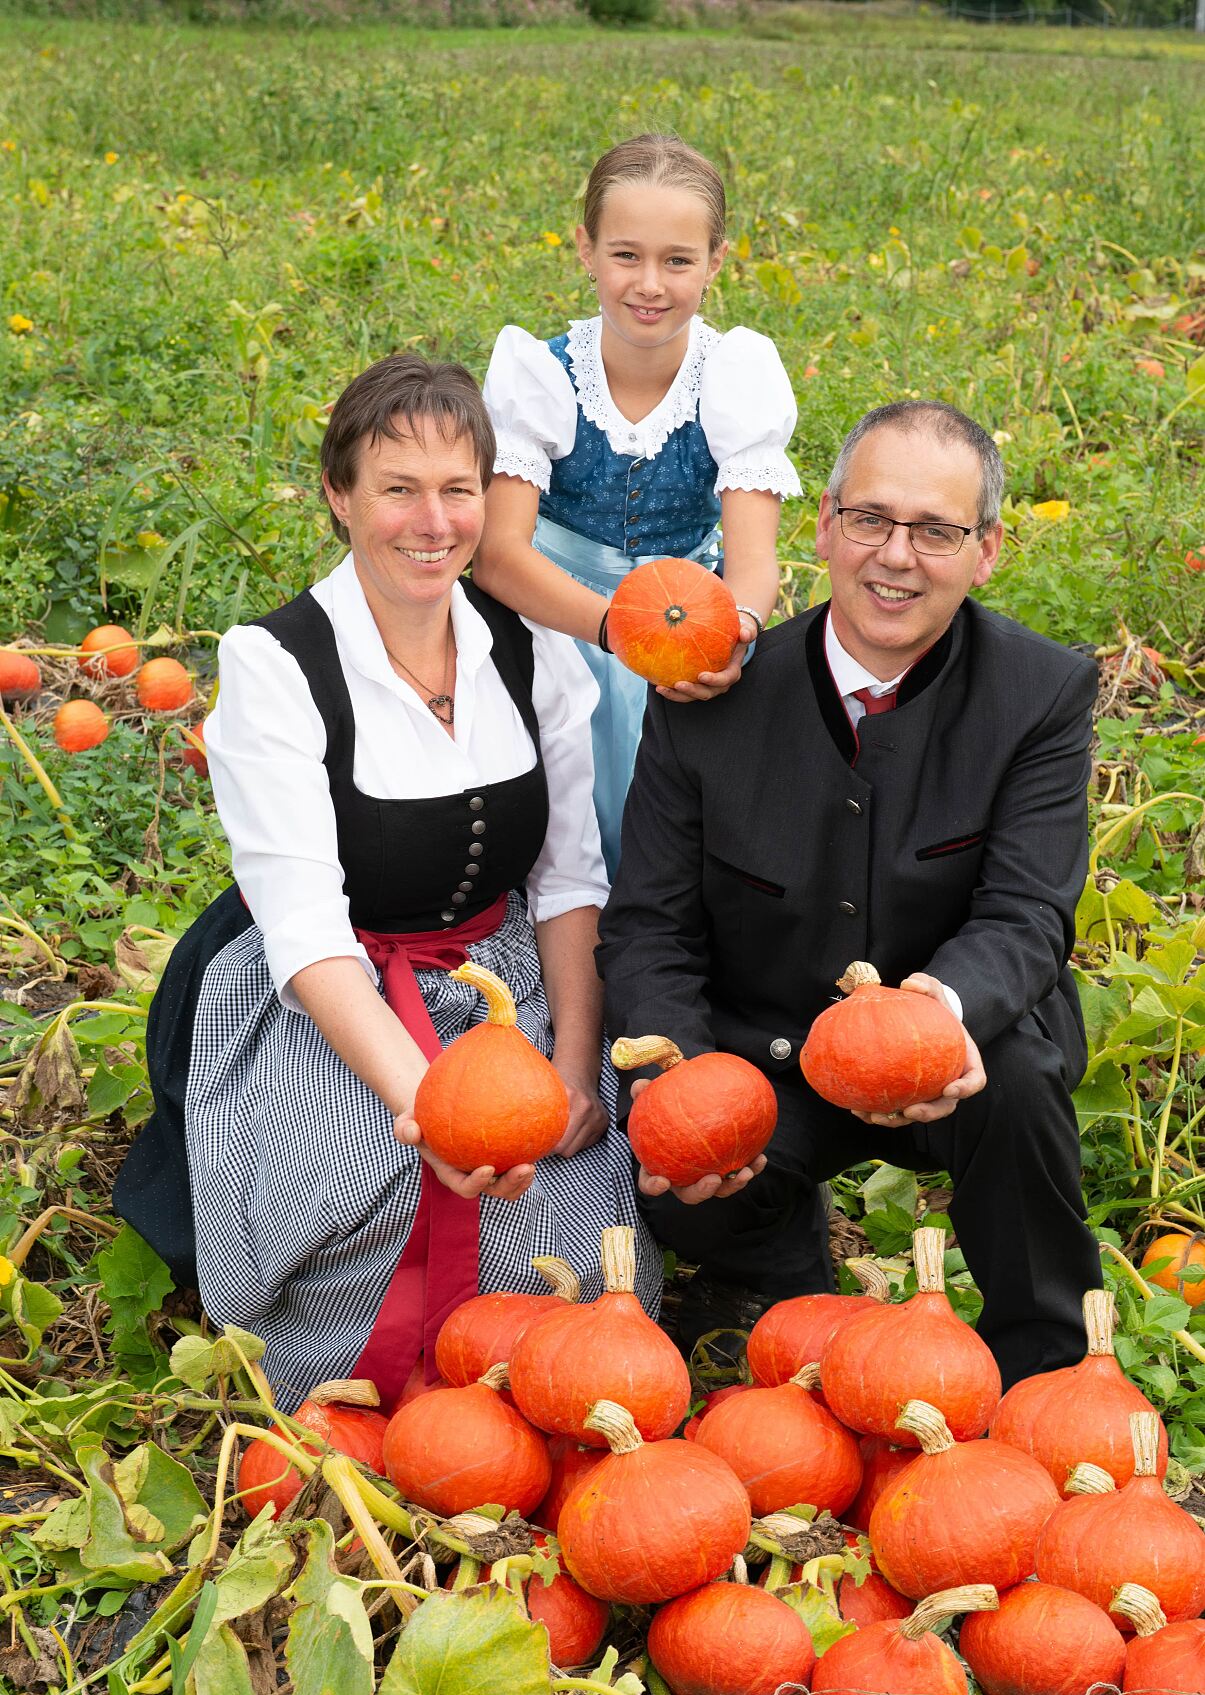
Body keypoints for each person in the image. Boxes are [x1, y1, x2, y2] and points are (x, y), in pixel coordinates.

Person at [114, 354, 662, 1411]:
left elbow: (565, 883)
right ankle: (364, 1392)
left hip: (500, 977)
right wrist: (436, 1116)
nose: (432, 521)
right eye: (397, 488)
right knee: (357, 1192)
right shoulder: (279, 667)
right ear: (339, 495)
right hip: (328, 993)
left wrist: (577, 1072)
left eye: (459, 490)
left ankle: (528, 1393)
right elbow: (307, 934)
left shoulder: (530, 654)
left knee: (565, 1219)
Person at [597, 399, 1103, 1390]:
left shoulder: (1038, 695)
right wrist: (677, 1073)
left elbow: (1025, 911)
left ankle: (1044, 1366)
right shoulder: (709, 705)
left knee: (1018, 1086)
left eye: (934, 531)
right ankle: (792, 1298)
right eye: (869, 519)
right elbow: (650, 923)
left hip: (962, 1043)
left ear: (986, 549)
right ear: (822, 525)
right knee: (681, 1178)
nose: (895, 556)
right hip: (774, 1046)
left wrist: (935, 1014)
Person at [473, 132, 801, 878]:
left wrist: (736, 631)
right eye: (625, 255)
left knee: (679, 836)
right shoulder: (543, 372)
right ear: (584, 250)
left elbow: (751, 561)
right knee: (546, 836)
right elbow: (498, 554)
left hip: (688, 632)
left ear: (716, 262)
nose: (649, 283)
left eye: (677, 261)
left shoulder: (735, 373)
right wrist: (619, 633)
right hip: (549, 618)